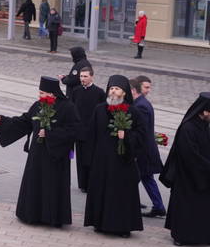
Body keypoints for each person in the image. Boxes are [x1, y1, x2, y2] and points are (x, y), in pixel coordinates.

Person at [0, 77, 78, 227]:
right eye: (39, 92)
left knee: (52, 184)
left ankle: (52, 218)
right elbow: (24, 121)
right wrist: (2, 121)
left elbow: (74, 130)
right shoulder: (38, 105)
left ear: (52, 94)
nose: (39, 95)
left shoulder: (67, 107)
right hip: (37, 154)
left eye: (42, 92)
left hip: (56, 156)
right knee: (35, 182)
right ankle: (32, 214)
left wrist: (50, 134)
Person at [83, 75, 145, 238]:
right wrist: (89, 159)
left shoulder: (133, 112)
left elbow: (141, 136)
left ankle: (122, 227)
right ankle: (99, 222)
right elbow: (91, 134)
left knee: (120, 193)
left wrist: (127, 136)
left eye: (116, 89)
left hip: (122, 161)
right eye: (111, 88)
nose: (113, 91)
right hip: (102, 160)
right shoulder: (99, 109)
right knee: (102, 191)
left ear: (124, 93)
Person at [160, 93, 210, 246]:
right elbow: (190, 155)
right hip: (187, 176)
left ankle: (202, 236)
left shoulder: (205, 126)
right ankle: (181, 236)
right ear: (204, 111)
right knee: (186, 208)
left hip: (202, 174)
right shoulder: (188, 128)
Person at [130, 76, 165, 217]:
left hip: (142, 151)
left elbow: (141, 131)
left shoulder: (140, 106)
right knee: (146, 178)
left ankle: (157, 206)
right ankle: (158, 206)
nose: (148, 90)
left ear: (133, 90)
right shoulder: (142, 103)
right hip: (145, 149)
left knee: (135, 177)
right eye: (146, 87)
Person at [70, 67, 105, 192]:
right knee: (80, 159)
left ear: (92, 77)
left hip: (93, 131)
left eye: (85, 76)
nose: (82, 79)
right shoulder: (76, 91)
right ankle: (83, 184)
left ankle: (92, 183)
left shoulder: (99, 92)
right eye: (81, 76)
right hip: (79, 131)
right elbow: (71, 108)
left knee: (91, 159)